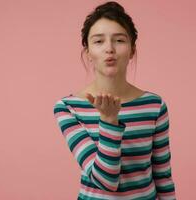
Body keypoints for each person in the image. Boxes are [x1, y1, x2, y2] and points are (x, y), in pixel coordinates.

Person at [53, 1, 176, 199]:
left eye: (119, 40)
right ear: (88, 53)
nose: (109, 48)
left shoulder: (154, 105)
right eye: (99, 41)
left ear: (132, 50)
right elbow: (105, 182)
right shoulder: (68, 107)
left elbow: (163, 176)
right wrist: (109, 121)